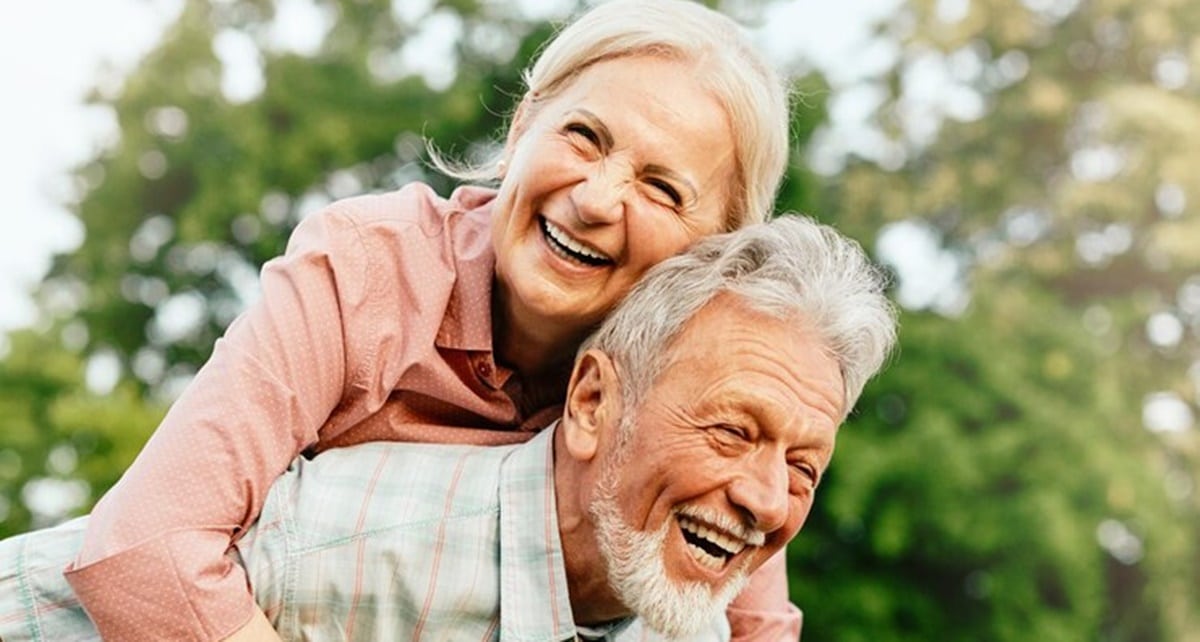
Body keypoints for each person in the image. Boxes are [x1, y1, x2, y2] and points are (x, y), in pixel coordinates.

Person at [1, 215, 897, 642]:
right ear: (590, 403)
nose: (765, 495)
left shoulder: (692, 617)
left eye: (805, 468)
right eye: (731, 432)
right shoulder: (339, 544)